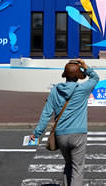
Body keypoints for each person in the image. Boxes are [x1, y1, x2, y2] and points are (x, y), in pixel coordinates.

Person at [30, 58, 99, 186]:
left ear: (65, 74)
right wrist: (85, 66)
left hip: (60, 135)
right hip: (78, 134)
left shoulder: (55, 90)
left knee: (68, 164)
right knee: (77, 168)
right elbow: (95, 78)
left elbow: (46, 114)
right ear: (78, 75)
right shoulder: (82, 89)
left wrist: (37, 133)